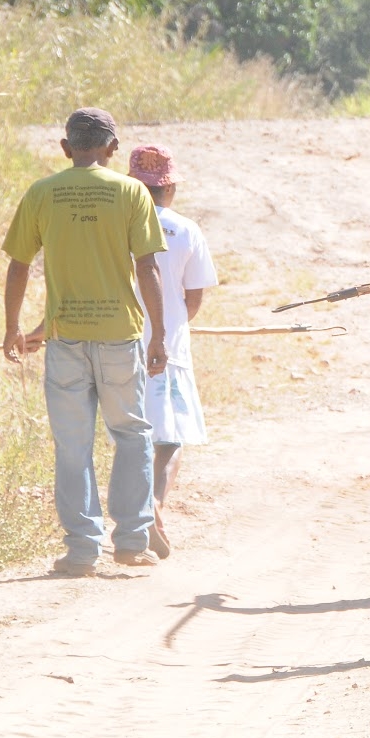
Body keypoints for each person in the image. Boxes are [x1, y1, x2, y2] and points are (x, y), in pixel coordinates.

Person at [1, 108, 168, 576]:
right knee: (132, 434)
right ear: (112, 148)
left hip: (66, 339)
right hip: (120, 337)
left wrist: (13, 325)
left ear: (65, 147)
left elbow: (18, 265)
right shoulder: (131, 191)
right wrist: (157, 335)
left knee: (73, 444)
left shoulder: (42, 193)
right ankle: (132, 541)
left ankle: (81, 550)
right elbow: (147, 267)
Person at [127, 144, 219, 561]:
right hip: (168, 348)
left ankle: (136, 515)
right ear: (171, 188)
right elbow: (193, 297)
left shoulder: (117, 226)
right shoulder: (186, 230)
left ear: (133, 186)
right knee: (171, 438)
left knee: (132, 434)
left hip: (121, 341)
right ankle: (155, 506)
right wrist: (175, 323)